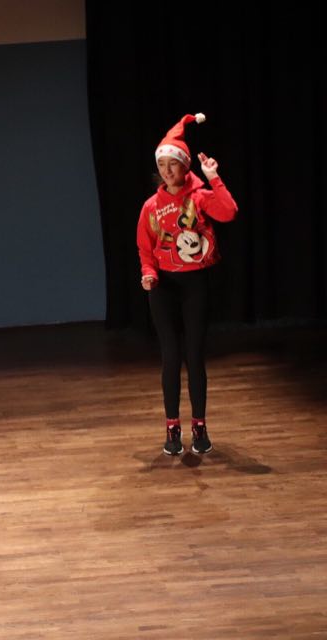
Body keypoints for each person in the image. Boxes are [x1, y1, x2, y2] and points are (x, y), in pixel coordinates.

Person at [136, 113, 238, 456]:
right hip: (163, 288)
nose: (167, 171)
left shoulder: (200, 197)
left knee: (194, 356)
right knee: (171, 356)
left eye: (173, 164)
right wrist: (148, 273)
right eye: (161, 165)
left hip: (195, 284)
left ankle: (199, 426)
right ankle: (172, 428)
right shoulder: (151, 207)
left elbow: (229, 212)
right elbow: (145, 249)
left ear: (184, 166)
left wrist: (214, 178)